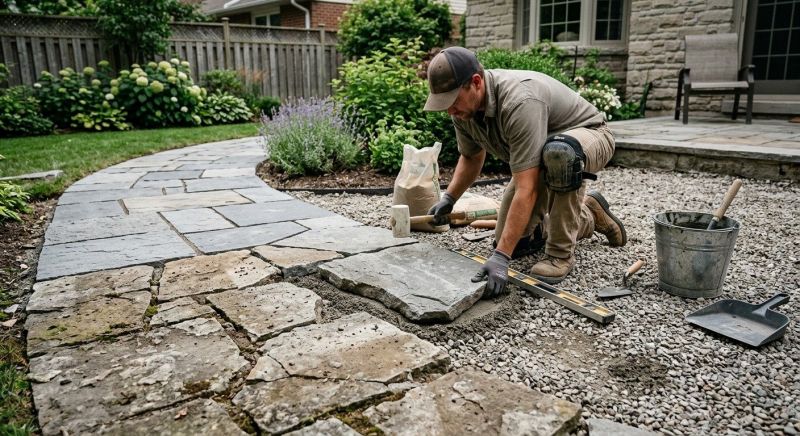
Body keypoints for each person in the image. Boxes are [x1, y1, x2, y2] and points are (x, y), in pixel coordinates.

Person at [424, 46, 626, 295]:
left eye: (452, 101)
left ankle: (560, 255)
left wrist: (500, 257)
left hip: (590, 135)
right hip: (545, 152)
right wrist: (449, 198)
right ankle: (591, 216)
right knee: (516, 243)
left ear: (475, 82)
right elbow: (471, 156)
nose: (449, 110)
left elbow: (526, 189)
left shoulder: (519, 100)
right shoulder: (464, 111)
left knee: (560, 154)